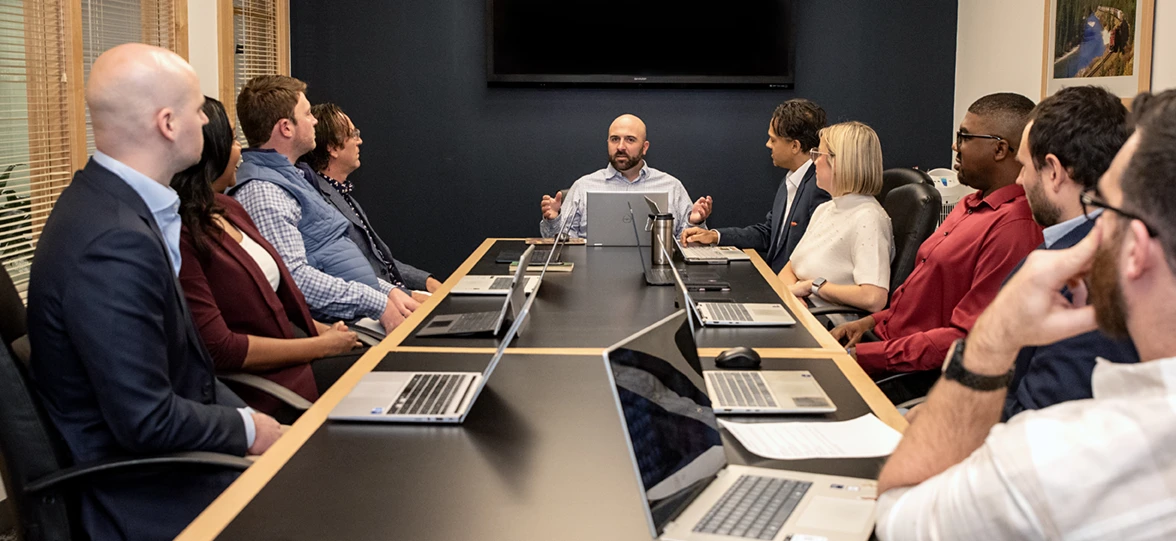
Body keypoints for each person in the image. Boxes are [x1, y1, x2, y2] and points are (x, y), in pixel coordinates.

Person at [875, 89, 1176, 540]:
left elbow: (898, 518)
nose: (1094, 229)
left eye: (1106, 208)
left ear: (1137, 248)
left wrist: (988, 343)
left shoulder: (1067, 458)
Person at [25, 44, 281, 541]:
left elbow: (185, 377)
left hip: (168, 466)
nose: (206, 125)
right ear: (167, 123)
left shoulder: (107, 205)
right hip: (142, 495)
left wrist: (250, 420)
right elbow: (145, 420)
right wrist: (250, 431)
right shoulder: (113, 242)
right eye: (196, 111)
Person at [172, 97, 363, 417]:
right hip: (274, 386)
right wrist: (318, 346)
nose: (241, 153)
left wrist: (321, 331)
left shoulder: (229, 208)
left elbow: (277, 303)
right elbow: (223, 349)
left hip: (301, 353)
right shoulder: (183, 235)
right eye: (233, 140)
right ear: (211, 150)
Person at [831, 93, 1043, 376]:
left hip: (912, 371)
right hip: (886, 344)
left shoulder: (1013, 230)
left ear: (1000, 149)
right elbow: (926, 306)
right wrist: (868, 324)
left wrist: (864, 356)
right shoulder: (970, 204)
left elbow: (968, 338)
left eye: (965, 136)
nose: (956, 145)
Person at [230, 75, 419, 333]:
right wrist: (377, 302)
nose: (315, 120)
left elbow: (340, 263)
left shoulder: (293, 177)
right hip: (340, 325)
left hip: (364, 310)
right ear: (286, 127)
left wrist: (387, 292)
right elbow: (296, 281)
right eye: (307, 114)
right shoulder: (264, 193)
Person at [1003, 85, 1138, 420]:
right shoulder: (1123, 246)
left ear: (1053, 171)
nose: (1019, 180)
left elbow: (1035, 421)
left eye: (1024, 166)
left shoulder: (1075, 274)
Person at [298, 102, 440, 293]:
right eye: (353, 134)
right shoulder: (320, 202)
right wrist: (411, 296)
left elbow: (380, 260)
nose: (360, 141)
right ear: (332, 148)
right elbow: (350, 275)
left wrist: (427, 282)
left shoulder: (340, 193)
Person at [679, 99, 831, 273]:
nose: (768, 145)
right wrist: (715, 236)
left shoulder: (820, 188)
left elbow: (818, 255)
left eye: (773, 140)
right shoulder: (789, 181)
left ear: (795, 146)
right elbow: (768, 233)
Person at [779, 121, 893, 313]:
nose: (814, 161)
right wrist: (789, 294)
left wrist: (813, 286)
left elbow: (874, 297)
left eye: (818, 154)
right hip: (801, 311)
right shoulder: (825, 209)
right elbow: (790, 269)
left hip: (826, 323)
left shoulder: (869, 218)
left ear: (840, 162)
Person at [539, 114, 711, 238]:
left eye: (630, 140)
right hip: (593, 279)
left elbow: (687, 245)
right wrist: (554, 220)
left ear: (644, 147)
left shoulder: (671, 187)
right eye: (614, 139)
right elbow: (563, 247)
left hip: (656, 275)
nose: (621, 147)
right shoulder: (583, 186)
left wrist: (694, 223)